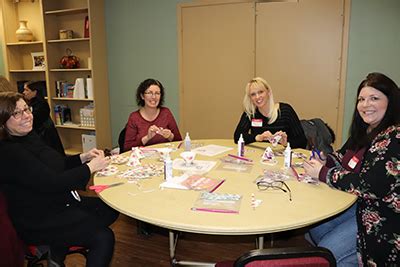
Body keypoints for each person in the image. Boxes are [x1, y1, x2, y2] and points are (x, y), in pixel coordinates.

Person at [0, 92, 119, 267]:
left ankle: (58, 248)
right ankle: (60, 242)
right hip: (37, 218)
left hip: (55, 201)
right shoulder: (9, 152)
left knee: (109, 207)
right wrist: (91, 168)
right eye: (17, 113)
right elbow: (52, 182)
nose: (26, 116)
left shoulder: (28, 136)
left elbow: (55, 164)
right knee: (103, 237)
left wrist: (83, 158)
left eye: (26, 109)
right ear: (3, 122)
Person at [304, 72, 400, 266]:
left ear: (391, 101)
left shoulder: (394, 137)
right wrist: (325, 160)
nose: (366, 105)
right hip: (360, 202)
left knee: (328, 253)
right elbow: (342, 155)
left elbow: (370, 185)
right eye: (361, 99)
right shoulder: (366, 129)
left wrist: (322, 173)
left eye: (374, 98)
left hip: (384, 218)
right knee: (313, 225)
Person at [234, 77, 307, 148]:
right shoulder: (250, 113)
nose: (257, 97)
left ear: (268, 92)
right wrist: (258, 137)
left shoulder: (285, 111)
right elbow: (237, 137)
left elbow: (302, 141)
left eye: (261, 92)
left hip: (283, 157)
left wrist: (286, 142)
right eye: (253, 94)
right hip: (259, 156)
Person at [124, 78, 182, 151]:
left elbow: (179, 141)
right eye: (149, 93)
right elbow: (127, 148)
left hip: (165, 158)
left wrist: (170, 136)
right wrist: (147, 137)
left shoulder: (166, 113)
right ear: (142, 96)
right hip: (144, 160)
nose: (154, 97)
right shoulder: (134, 117)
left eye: (157, 93)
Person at [23, 81, 65, 155]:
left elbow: (35, 121)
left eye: (27, 90)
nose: (24, 92)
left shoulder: (41, 105)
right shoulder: (29, 103)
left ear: (35, 92)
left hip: (45, 135)